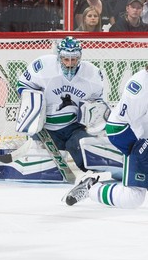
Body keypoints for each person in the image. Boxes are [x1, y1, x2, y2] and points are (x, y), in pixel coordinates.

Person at [16, 36, 105, 173]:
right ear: (59, 57)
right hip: (45, 130)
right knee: (44, 170)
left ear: (79, 58)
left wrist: (93, 116)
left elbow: (98, 102)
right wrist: (34, 111)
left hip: (74, 128)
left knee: (91, 162)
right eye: (66, 59)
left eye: (74, 59)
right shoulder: (43, 67)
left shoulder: (92, 74)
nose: (70, 64)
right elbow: (22, 85)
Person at [64, 64, 148, 208]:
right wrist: (140, 156)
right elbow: (116, 127)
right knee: (132, 198)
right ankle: (91, 188)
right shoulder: (140, 87)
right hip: (137, 140)